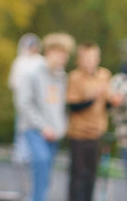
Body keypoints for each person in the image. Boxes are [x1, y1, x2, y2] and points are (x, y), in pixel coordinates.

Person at [15, 32, 75, 201]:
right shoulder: (32, 74)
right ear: (49, 52)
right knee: (40, 162)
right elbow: (24, 103)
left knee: (46, 173)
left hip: (54, 134)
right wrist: (42, 126)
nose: (64, 58)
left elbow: (60, 108)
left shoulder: (62, 78)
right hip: (35, 130)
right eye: (60, 53)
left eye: (66, 54)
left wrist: (61, 128)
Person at [65, 42, 120, 201]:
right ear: (79, 60)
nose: (90, 61)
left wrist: (114, 101)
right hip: (79, 134)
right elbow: (73, 106)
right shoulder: (74, 77)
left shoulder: (104, 75)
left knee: (91, 176)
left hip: (96, 133)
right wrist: (92, 97)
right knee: (78, 176)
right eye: (86, 58)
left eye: (93, 58)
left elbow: (107, 104)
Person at [8, 33, 42, 165]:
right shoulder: (20, 62)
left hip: (37, 103)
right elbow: (14, 82)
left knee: (35, 127)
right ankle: (20, 153)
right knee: (21, 127)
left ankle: (32, 154)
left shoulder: (40, 61)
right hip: (22, 101)